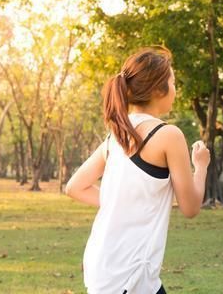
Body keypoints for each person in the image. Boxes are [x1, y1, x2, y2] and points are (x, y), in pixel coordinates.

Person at [65, 46, 210, 294]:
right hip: (130, 274)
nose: (176, 90)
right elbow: (191, 207)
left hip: (105, 266)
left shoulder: (116, 136)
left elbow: (75, 187)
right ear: (157, 89)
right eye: (173, 83)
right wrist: (201, 166)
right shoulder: (168, 135)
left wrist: (122, 202)